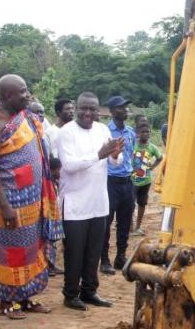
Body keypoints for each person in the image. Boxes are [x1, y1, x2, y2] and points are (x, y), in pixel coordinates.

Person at [0, 74, 62, 319]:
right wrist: (4, 205)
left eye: (27, 90)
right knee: (8, 251)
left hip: (32, 200)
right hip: (7, 201)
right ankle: (7, 302)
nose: (28, 95)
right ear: (6, 96)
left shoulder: (24, 118)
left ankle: (24, 298)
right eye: (22, 92)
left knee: (30, 250)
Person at [54, 92, 121, 310]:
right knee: (75, 252)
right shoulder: (66, 133)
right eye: (84, 108)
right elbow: (70, 165)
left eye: (93, 109)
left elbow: (116, 163)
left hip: (98, 202)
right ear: (76, 107)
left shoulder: (102, 130)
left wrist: (114, 155)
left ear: (98, 110)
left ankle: (90, 291)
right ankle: (71, 294)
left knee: (93, 252)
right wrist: (99, 155)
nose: (88, 113)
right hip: (75, 204)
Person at [100, 95, 137, 275]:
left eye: (126, 107)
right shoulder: (105, 132)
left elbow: (130, 155)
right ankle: (104, 259)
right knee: (106, 222)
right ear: (113, 111)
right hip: (110, 182)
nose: (126, 110)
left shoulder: (130, 132)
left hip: (127, 182)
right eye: (122, 108)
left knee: (125, 221)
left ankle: (120, 257)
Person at [131, 121, 163, 236]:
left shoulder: (152, 147)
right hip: (133, 180)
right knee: (130, 204)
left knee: (142, 204)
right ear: (138, 133)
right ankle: (130, 226)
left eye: (148, 132)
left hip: (146, 181)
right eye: (143, 132)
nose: (146, 134)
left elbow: (160, 158)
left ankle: (138, 227)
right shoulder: (133, 145)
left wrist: (152, 167)